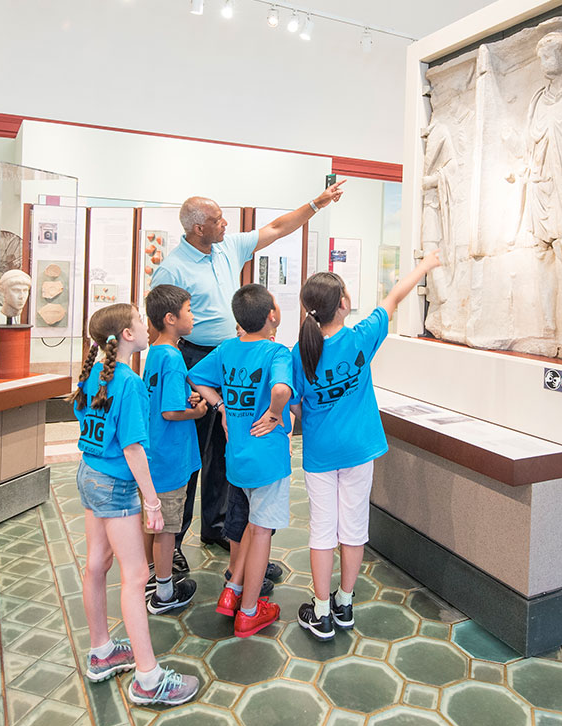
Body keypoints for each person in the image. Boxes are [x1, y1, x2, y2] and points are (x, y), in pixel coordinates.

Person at [149, 181, 345, 554]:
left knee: (226, 447)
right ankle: (172, 542)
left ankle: (218, 526)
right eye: (217, 219)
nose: (226, 224)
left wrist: (316, 204)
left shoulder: (226, 247)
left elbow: (277, 228)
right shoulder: (172, 268)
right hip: (194, 359)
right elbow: (159, 321)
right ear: (197, 229)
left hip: (233, 358)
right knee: (192, 452)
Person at [293, 251, 442, 640]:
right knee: (354, 528)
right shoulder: (360, 338)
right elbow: (393, 300)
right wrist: (425, 267)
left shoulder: (300, 353)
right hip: (359, 451)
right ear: (343, 305)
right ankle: (345, 603)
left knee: (322, 531)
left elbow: (294, 406)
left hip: (320, 455)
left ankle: (321, 611)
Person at [71, 302, 200, 706]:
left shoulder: (95, 372)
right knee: (134, 577)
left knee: (96, 563)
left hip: (88, 474)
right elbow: (132, 448)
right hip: (115, 486)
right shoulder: (126, 381)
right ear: (127, 336)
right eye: (138, 323)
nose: (146, 327)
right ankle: (148, 677)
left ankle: (102, 651)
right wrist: (152, 500)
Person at [188, 284, 295, 637]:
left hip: (237, 458)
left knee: (250, 524)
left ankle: (232, 591)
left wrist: (220, 406)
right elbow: (281, 390)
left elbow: (196, 377)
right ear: (271, 317)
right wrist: (275, 413)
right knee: (262, 531)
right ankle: (250, 611)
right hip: (267, 460)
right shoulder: (277, 352)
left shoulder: (226, 349)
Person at [140, 284, 207, 613]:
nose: (193, 317)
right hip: (170, 457)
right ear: (170, 318)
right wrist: (196, 410)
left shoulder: (155, 351)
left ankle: (147, 576)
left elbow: (163, 399)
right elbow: (169, 411)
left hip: (155, 453)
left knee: (151, 522)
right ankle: (164, 593)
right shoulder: (174, 357)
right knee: (168, 527)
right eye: (189, 311)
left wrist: (186, 399)